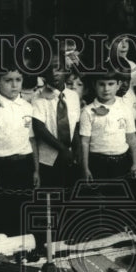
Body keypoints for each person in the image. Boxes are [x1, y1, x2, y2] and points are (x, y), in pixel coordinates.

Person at [0, 62, 39, 238]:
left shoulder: (27, 107)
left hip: (25, 164)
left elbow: (31, 139)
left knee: (25, 209)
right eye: (8, 80)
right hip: (2, 166)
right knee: (4, 212)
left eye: (18, 80)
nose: (14, 85)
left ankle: (26, 249)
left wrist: (36, 170)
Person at [78, 68, 136, 183]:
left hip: (122, 160)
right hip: (97, 161)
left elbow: (132, 139)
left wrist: (135, 164)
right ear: (94, 85)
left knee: (119, 196)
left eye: (111, 84)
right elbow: (84, 142)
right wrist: (85, 168)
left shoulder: (125, 108)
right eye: (101, 84)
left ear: (118, 85)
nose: (106, 89)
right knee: (98, 196)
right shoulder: (87, 111)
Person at [31, 60, 81, 191]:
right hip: (49, 158)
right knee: (52, 195)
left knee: (69, 193)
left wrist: (77, 147)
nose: (54, 73)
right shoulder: (38, 98)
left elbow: (74, 124)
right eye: (49, 70)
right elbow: (39, 128)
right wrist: (62, 149)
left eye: (58, 68)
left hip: (69, 155)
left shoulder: (73, 96)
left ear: (66, 69)